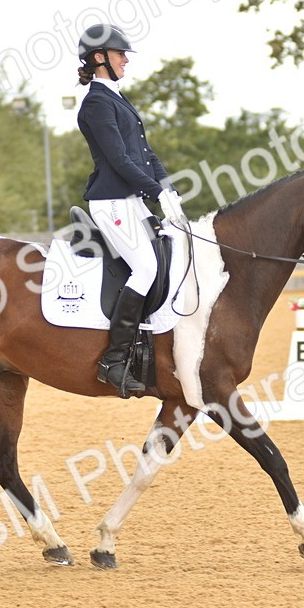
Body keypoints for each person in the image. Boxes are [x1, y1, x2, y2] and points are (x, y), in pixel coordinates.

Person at [75, 23, 186, 395]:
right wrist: (155, 191)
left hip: (132, 200)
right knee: (147, 266)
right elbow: (120, 159)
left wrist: (167, 190)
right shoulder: (95, 103)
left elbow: (145, 153)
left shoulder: (117, 98)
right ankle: (115, 360)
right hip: (111, 202)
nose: (126, 60)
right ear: (99, 58)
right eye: (120, 54)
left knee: (171, 251)